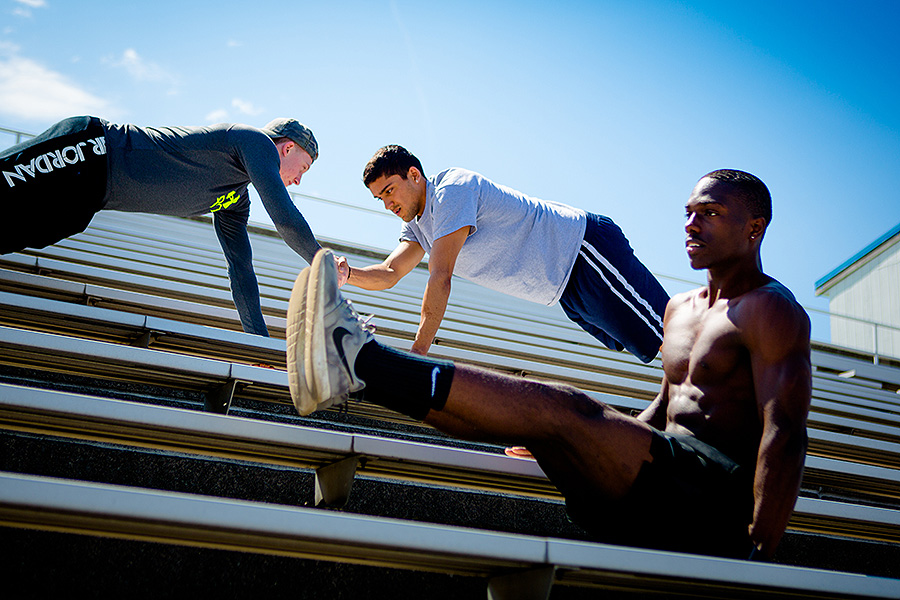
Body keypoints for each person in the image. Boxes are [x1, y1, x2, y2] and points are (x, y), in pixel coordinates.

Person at [286, 169, 812, 560]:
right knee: (542, 423)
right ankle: (359, 371)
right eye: (689, 213)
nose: (692, 225)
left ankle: (363, 362)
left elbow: (785, 432)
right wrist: (611, 437)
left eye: (710, 213)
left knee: (563, 406)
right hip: (663, 479)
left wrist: (760, 550)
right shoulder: (683, 310)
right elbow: (668, 405)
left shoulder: (770, 309)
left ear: (754, 228)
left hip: (715, 490)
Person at [334, 145, 669, 363]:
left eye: (389, 190)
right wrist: (348, 274)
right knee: (649, 345)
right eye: (380, 198)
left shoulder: (451, 190)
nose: (388, 204)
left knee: (668, 335)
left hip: (582, 251)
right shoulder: (417, 226)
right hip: (563, 290)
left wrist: (418, 352)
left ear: (414, 175)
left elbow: (441, 275)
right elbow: (391, 273)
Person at [1, 115, 326, 337]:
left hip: (89, 198)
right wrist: (320, 260)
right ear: (287, 148)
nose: (298, 180)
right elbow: (285, 218)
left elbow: (241, 268)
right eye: (304, 168)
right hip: (91, 149)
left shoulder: (235, 200)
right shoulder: (253, 141)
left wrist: (258, 343)